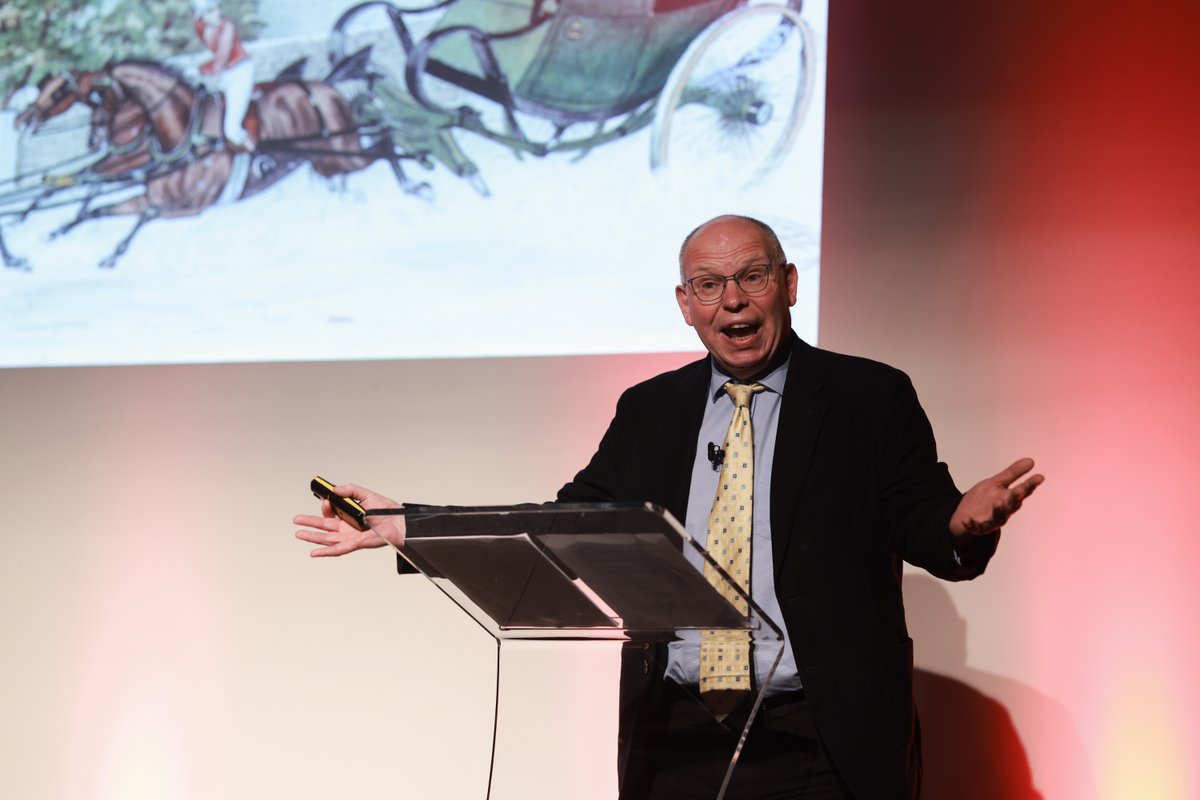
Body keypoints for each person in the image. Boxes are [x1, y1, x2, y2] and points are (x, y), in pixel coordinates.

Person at [294, 214, 1043, 799]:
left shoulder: (867, 396)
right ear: (685, 305)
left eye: (751, 277)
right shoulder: (651, 409)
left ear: (788, 283)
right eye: (710, 285)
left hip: (820, 737)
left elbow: (923, 522)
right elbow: (565, 526)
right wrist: (408, 526)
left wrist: (960, 523)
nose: (734, 301)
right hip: (678, 736)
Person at [192, 0, 255, 151]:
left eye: (216, 9)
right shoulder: (202, 28)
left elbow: (221, 61)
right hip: (225, 76)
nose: (217, 13)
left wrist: (199, 70)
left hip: (240, 73)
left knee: (231, 129)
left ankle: (253, 150)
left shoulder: (227, 27)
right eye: (210, 11)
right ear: (201, 16)